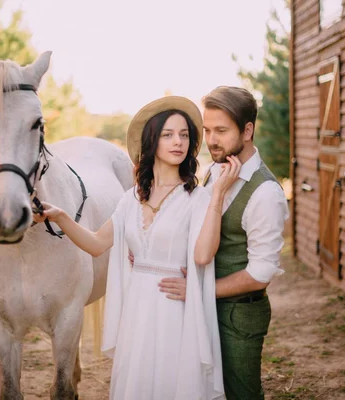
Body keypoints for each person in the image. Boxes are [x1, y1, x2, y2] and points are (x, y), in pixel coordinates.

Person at [33, 96, 240, 399]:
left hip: (175, 308)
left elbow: (203, 255)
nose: (178, 142)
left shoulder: (198, 199)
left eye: (184, 135)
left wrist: (218, 195)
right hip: (137, 308)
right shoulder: (131, 198)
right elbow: (96, 244)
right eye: (168, 135)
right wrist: (61, 217)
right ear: (152, 141)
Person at [158, 86, 289, 400]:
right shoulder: (216, 171)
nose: (211, 140)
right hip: (204, 308)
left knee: (241, 394)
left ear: (247, 130)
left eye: (221, 130)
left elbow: (260, 273)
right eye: (206, 130)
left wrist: (198, 290)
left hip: (238, 317)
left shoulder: (265, 194)